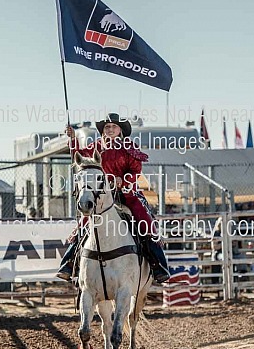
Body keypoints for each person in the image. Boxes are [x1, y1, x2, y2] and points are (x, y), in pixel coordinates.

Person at [56, 113, 170, 283]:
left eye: (113, 127)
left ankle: (158, 266)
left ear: (120, 130)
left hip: (127, 193)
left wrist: (122, 180)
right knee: (84, 226)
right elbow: (78, 156)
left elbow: (136, 171)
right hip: (101, 195)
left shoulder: (129, 147)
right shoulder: (95, 147)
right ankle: (68, 263)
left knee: (144, 222)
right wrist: (73, 139)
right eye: (107, 127)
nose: (110, 129)